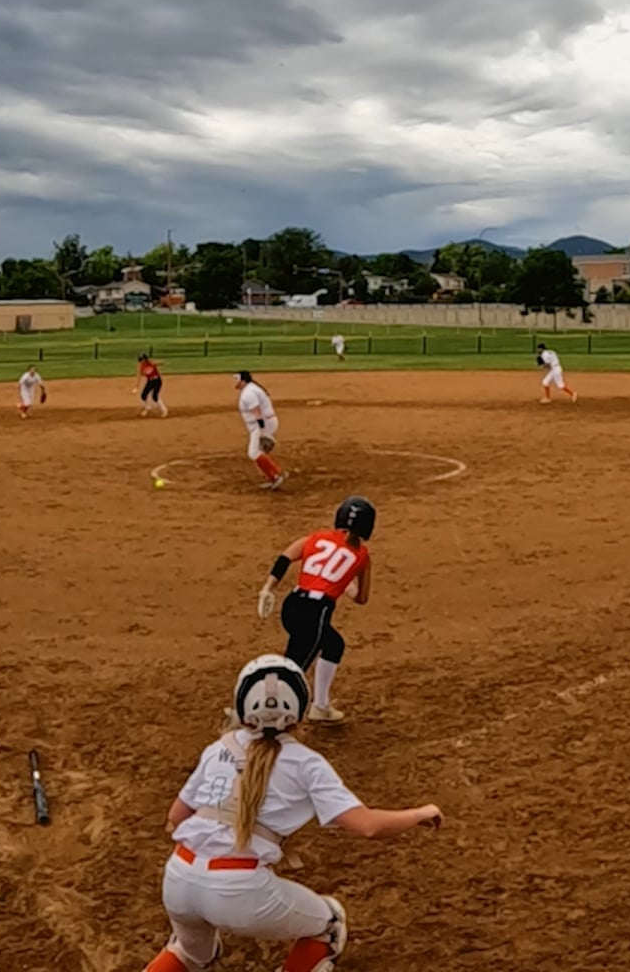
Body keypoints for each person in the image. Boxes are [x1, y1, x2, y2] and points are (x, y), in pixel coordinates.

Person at [142, 655, 443, 972]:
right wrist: (419, 813)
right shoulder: (305, 762)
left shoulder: (218, 749)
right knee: (330, 923)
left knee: (190, 953)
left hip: (179, 880)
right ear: (298, 709)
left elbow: (176, 817)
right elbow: (367, 826)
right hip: (239, 889)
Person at [257, 497, 374, 724]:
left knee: (333, 645)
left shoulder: (316, 538)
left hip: (292, 605)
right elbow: (361, 598)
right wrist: (345, 584)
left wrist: (268, 588)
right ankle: (259, 713)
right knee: (294, 669)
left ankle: (320, 706)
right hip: (315, 612)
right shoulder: (362, 556)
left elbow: (285, 558)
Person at [236, 371, 285, 490]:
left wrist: (263, 431)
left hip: (261, 425)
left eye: (237, 380)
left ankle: (277, 474)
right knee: (259, 452)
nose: (236, 382)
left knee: (254, 453)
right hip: (264, 423)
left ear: (243, 381)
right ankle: (274, 476)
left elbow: (257, 413)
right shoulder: (251, 389)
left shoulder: (249, 393)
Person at [136, 353, 169, 417]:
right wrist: (136, 386)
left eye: (141, 359)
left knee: (154, 396)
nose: (140, 361)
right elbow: (139, 376)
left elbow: (157, 363)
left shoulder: (150, 362)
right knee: (143, 395)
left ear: (145, 359)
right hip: (150, 381)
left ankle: (164, 410)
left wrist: (162, 362)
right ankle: (148, 408)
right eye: (140, 360)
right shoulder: (142, 366)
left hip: (157, 381)